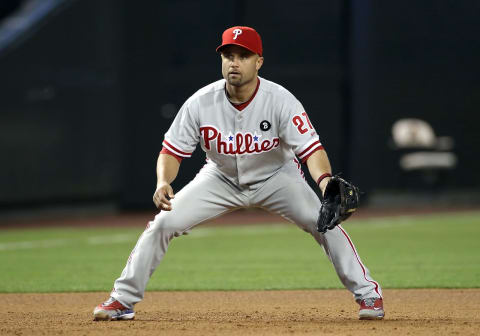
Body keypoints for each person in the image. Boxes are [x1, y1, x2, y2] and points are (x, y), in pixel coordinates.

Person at [93, 26, 384, 321]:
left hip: (277, 177)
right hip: (220, 178)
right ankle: (122, 300)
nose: (234, 62)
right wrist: (163, 181)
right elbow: (171, 151)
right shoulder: (200, 102)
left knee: (324, 222)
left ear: (258, 61)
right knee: (162, 224)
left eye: (243, 56)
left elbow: (311, 149)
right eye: (228, 55)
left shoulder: (280, 100)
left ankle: (368, 294)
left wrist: (324, 182)